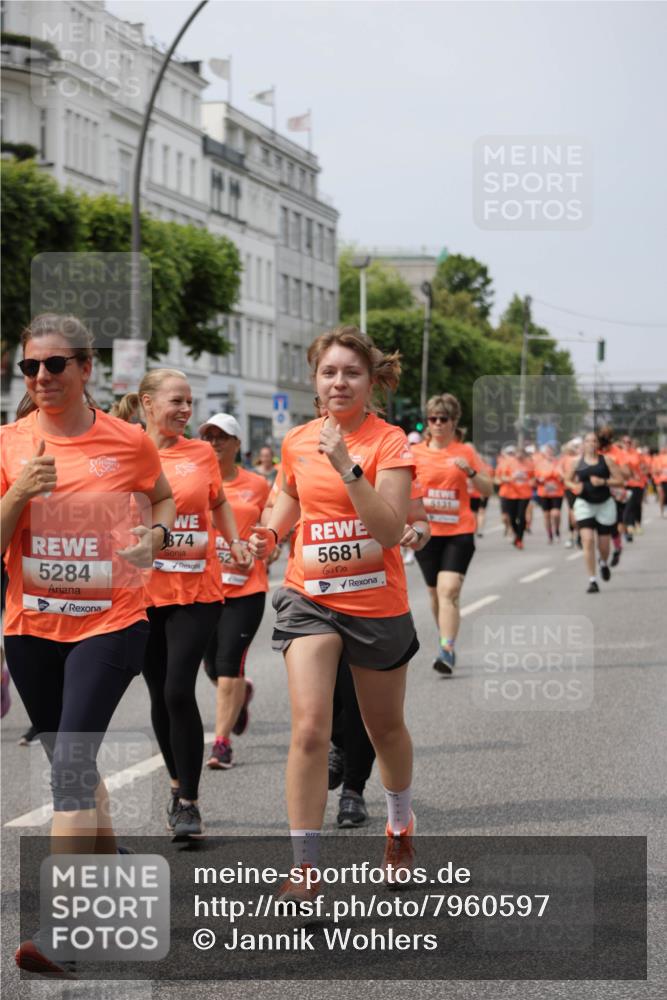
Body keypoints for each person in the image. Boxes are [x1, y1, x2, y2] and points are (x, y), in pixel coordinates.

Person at [1, 314, 175, 977]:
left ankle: (63, 930)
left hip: (112, 622)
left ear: (85, 367)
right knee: (70, 760)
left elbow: (162, 499)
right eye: (30, 367)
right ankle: (114, 870)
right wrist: (19, 492)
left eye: (55, 365)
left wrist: (155, 538)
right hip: (32, 629)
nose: (41, 377)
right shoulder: (8, 444)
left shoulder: (128, 441)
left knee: (71, 766)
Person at [249, 325, 419, 892]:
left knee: (383, 727)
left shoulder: (389, 442)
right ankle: (305, 868)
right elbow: (289, 497)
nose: (339, 382)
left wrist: (348, 467)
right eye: (329, 373)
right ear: (315, 381)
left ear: (371, 382)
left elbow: (389, 531)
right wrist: (269, 536)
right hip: (310, 597)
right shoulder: (297, 441)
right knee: (309, 729)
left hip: (374, 601)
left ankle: (399, 825)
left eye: (351, 373)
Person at [120, 372, 250, 840]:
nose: (186, 410)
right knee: (159, 692)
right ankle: (177, 788)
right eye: (177, 401)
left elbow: (218, 503)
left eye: (190, 402)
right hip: (142, 591)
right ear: (147, 403)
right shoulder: (126, 450)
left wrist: (234, 542)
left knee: (178, 689)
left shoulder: (200, 453)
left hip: (197, 590)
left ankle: (190, 800)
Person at [199, 414, 269, 770]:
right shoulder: (195, 482)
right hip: (204, 590)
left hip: (245, 591)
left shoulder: (257, 484)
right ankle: (240, 695)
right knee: (212, 667)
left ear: (237, 443)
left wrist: (266, 544)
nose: (214, 442)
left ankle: (222, 743)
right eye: (209, 436)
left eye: (222, 436)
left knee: (228, 665)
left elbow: (273, 526)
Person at [411, 394, 493, 674]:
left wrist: (470, 472)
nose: (437, 423)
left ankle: (446, 650)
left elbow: (488, 489)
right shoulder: (415, 453)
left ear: (453, 422)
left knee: (449, 590)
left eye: (443, 419)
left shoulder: (465, 452)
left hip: (460, 530)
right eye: (432, 418)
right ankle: (445, 637)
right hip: (426, 533)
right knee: (435, 594)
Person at [563, 431, 624, 593]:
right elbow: (567, 480)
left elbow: (620, 481)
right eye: (588, 441)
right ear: (584, 444)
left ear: (598, 444)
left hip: (604, 504)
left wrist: (603, 481)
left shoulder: (606, 461)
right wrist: (574, 486)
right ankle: (592, 580)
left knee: (604, 546)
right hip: (584, 504)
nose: (591, 444)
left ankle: (603, 562)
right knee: (588, 540)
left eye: (594, 441)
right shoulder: (577, 462)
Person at [499, 445, 535, 549]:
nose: (519, 456)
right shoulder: (508, 463)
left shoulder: (529, 463)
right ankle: (516, 534)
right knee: (512, 517)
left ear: (524, 455)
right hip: (511, 494)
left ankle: (519, 539)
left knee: (521, 515)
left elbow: (533, 477)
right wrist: (511, 478)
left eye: (521, 454)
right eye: (517, 454)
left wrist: (531, 482)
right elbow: (501, 477)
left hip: (524, 494)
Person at [534, 444, 564, 543]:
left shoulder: (558, 463)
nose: (549, 453)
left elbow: (563, 476)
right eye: (547, 451)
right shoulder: (539, 464)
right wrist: (540, 480)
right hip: (544, 493)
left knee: (556, 514)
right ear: (544, 453)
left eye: (551, 451)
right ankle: (549, 534)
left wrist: (560, 477)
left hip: (557, 492)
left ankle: (557, 530)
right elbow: (536, 479)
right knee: (546, 515)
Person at [652, 445, 667, 518]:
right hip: (659, 480)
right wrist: (660, 470)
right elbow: (654, 470)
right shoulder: (656, 458)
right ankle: (662, 511)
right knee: (661, 496)